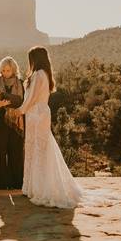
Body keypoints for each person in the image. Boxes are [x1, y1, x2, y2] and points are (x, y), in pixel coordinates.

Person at [18, 46, 84, 208]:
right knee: (39, 147)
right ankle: (35, 186)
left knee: (38, 148)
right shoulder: (44, 74)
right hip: (39, 113)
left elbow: (32, 98)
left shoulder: (38, 74)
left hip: (36, 114)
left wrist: (19, 111)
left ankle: (40, 188)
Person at [0, 56, 25, 190]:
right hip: (0, 121)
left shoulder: (20, 83)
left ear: (13, 70)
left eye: (8, 70)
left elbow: (23, 102)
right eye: (2, 70)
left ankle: (16, 183)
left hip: (16, 121)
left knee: (16, 152)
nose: (5, 73)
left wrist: (14, 104)